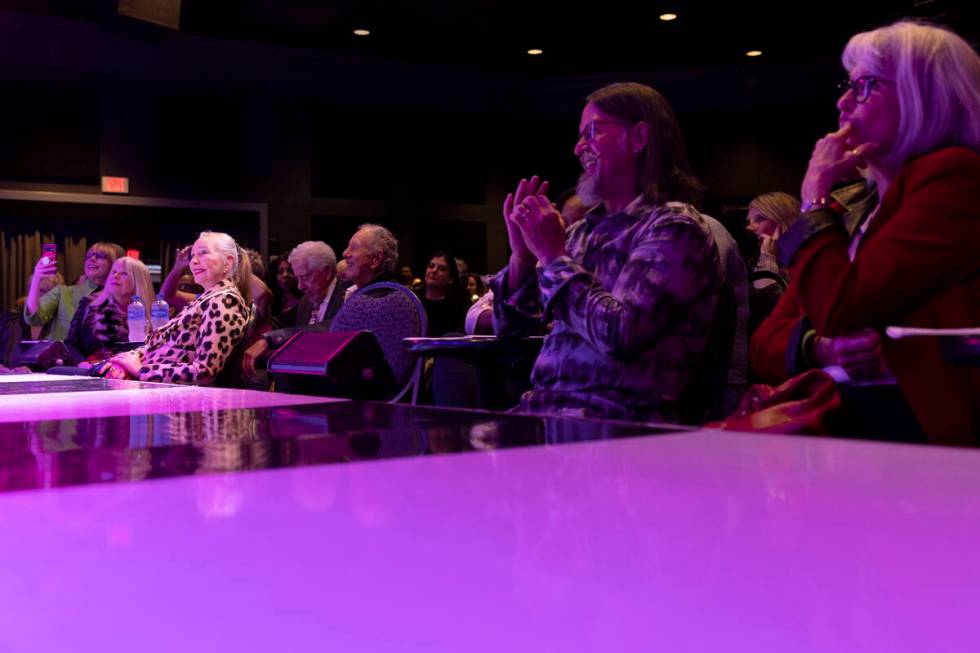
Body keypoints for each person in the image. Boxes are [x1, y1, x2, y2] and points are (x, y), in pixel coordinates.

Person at [766, 20, 980, 443]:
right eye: (847, 85)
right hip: (847, 425)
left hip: (915, 441)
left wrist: (813, 196)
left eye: (865, 86)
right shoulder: (855, 210)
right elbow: (764, 342)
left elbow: (842, 308)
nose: (844, 103)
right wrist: (819, 347)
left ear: (924, 97)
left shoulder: (956, 178)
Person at [491, 82, 723, 422]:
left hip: (619, 431)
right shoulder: (583, 233)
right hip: (548, 415)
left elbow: (620, 334)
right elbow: (510, 335)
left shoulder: (674, 228)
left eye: (593, 132)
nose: (577, 148)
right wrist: (522, 259)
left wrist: (553, 257)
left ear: (639, 138)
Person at [100, 231, 251, 384]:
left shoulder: (225, 301)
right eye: (193, 256)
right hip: (139, 382)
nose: (194, 261)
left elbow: (204, 372)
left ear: (228, 262)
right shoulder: (207, 299)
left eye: (203, 253)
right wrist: (124, 362)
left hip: (161, 394)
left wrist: (139, 370)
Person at [242, 241, 346, 380]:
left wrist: (269, 339)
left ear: (326, 272)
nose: (300, 286)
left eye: (305, 277)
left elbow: (330, 327)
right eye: (298, 278)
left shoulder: (348, 296)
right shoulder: (305, 302)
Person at [23, 242, 123, 341]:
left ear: (114, 265)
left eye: (100, 256)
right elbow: (34, 318)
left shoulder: (122, 298)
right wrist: (37, 278)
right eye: (89, 256)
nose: (92, 259)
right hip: (65, 356)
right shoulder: (63, 293)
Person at [65, 256, 154, 362]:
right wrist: (82, 363)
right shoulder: (90, 305)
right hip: (92, 371)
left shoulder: (153, 312)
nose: (115, 276)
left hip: (132, 373)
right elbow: (70, 345)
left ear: (138, 281)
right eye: (114, 272)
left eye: (124, 274)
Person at [417, 251, 469, 336]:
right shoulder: (412, 300)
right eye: (431, 266)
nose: (434, 270)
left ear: (450, 279)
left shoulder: (460, 303)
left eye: (441, 268)